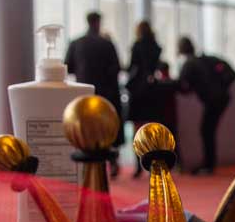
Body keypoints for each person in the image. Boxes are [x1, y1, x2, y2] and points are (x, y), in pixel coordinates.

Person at [64, 12, 123, 177]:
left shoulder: (76, 43)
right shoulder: (107, 44)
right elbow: (116, 68)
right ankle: (112, 162)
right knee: (106, 126)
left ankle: (86, 165)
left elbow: (68, 66)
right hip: (106, 93)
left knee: (86, 127)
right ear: (98, 22)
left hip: (84, 93)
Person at [177, 36, 235, 176]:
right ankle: (209, 163)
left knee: (206, 130)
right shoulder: (206, 59)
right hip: (221, 98)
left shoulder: (189, 64)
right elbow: (232, 74)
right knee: (207, 130)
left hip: (213, 101)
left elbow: (181, 86)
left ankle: (209, 165)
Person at [127, 21, 163, 178]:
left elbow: (132, 67)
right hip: (152, 90)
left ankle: (137, 165)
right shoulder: (156, 47)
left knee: (137, 129)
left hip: (137, 91)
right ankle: (153, 164)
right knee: (152, 129)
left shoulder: (137, 45)